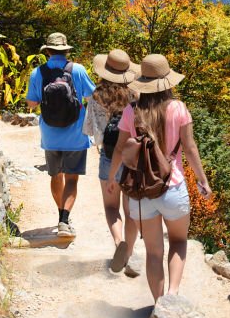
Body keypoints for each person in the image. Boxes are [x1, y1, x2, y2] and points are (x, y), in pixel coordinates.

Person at [106, 54, 212, 301]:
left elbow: (120, 149)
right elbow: (190, 147)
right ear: (167, 82)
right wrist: (202, 180)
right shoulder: (178, 109)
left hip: (141, 191)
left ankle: (157, 304)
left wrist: (113, 179)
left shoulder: (131, 112)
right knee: (178, 242)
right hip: (173, 188)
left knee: (153, 252)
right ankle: (172, 296)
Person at [26, 32, 96, 237]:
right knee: (72, 179)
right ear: (66, 51)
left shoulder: (37, 72)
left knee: (55, 175)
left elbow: (31, 102)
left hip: (50, 134)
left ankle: (61, 215)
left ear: (47, 51)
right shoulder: (78, 70)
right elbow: (92, 95)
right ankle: (64, 220)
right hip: (75, 134)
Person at [83, 49, 141, 275]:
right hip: (132, 158)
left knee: (110, 206)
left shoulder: (96, 96)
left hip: (108, 156)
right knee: (130, 210)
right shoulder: (136, 96)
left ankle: (118, 243)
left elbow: (90, 131)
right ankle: (130, 252)